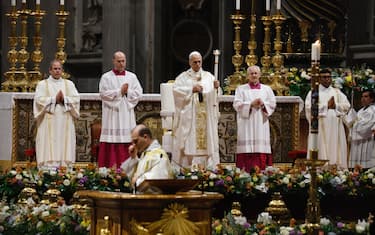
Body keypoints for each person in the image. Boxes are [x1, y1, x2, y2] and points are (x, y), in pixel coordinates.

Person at [172, 51, 220, 170]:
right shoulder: (183, 77)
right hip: (190, 116)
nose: (198, 64)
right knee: (189, 141)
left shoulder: (209, 77)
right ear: (190, 62)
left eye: (199, 61)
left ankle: (207, 167)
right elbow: (176, 91)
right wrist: (191, 89)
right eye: (195, 62)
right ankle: (188, 167)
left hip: (206, 116)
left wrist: (216, 88)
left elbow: (214, 99)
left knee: (207, 141)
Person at [98, 51, 143, 168]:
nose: (121, 64)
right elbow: (103, 94)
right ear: (113, 61)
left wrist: (127, 92)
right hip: (111, 114)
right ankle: (109, 169)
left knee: (127, 138)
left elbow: (138, 93)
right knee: (111, 140)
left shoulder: (131, 77)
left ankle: (129, 168)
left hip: (126, 114)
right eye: (119, 61)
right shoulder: (106, 77)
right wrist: (119, 92)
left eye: (123, 61)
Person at [33, 60, 80, 168]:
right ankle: (48, 167)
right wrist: (54, 99)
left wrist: (64, 99)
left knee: (64, 143)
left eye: (59, 69)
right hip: (48, 120)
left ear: (62, 70)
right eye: (55, 68)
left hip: (65, 119)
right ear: (50, 70)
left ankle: (65, 166)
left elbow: (76, 99)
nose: (57, 71)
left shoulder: (69, 84)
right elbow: (39, 100)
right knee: (49, 143)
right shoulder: (42, 84)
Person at [233, 65, 276, 172]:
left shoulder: (267, 89)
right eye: (251, 73)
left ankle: (261, 169)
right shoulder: (241, 89)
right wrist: (250, 104)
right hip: (246, 123)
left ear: (260, 74)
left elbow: (272, 104)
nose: (254, 75)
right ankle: (244, 170)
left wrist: (262, 104)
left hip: (261, 122)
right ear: (247, 75)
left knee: (260, 146)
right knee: (246, 146)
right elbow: (237, 104)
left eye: (256, 73)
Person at [305, 68, 350, 168]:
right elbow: (309, 108)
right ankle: (320, 170)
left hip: (335, 127)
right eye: (324, 77)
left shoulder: (337, 92)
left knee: (335, 148)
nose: (327, 79)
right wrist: (326, 105)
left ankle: (337, 170)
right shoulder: (314, 93)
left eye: (329, 77)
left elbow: (347, 106)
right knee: (321, 147)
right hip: (320, 127)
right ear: (319, 79)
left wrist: (336, 106)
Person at [345, 90, 375, 168]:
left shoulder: (372, 110)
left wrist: (354, 122)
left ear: (372, 99)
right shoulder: (361, 111)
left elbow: (366, 125)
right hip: (358, 140)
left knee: (365, 160)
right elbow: (356, 122)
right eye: (362, 96)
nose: (363, 99)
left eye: (366, 96)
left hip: (367, 139)